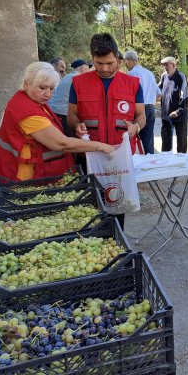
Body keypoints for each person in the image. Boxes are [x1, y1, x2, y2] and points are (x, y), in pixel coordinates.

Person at [68, 34, 146, 229]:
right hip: (90, 157)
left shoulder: (133, 84)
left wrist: (136, 127)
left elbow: (141, 116)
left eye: (110, 63)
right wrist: (77, 126)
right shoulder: (78, 83)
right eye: (99, 63)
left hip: (120, 156)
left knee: (118, 203)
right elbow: (72, 116)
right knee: (91, 208)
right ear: (92, 58)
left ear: (118, 59)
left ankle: (117, 243)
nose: (104, 68)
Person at [0, 62, 114, 180]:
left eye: (51, 88)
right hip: (23, 180)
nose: (48, 94)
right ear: (27, 84)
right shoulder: (26, 111)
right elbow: (61, 143)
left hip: (30, 175)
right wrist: (101, 147)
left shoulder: (30, 100)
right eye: (42, 87)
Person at [124, 50, 160, 154]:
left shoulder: (131, 73)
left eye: (125, 62)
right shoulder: (149, 73)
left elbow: (129, 93)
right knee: (148, 141)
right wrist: (150, 99)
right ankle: (151, 163)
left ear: (130, 61)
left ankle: (133, 164)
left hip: (138, 109)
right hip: (150, 108)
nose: (125, 65)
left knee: (132, 138)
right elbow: (158, 93)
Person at [48, 59, 90, 135]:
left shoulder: (67, 76)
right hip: (65, 113)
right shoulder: (78, 79)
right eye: (88, 68)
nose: (88, 71)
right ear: (82, 68)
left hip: (56, 111)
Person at [159, 56, 188, 153]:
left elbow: (185, 96)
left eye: (166, 65)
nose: (165, 67)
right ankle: (166, 163)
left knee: (181, 142)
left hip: (179, 116)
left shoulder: (181, 76)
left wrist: (178, 111)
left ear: (173, 65)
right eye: (164, 65)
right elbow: (158, 89)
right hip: (166, 116)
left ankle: (182, 163)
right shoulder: (164, 76)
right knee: (165, 143)